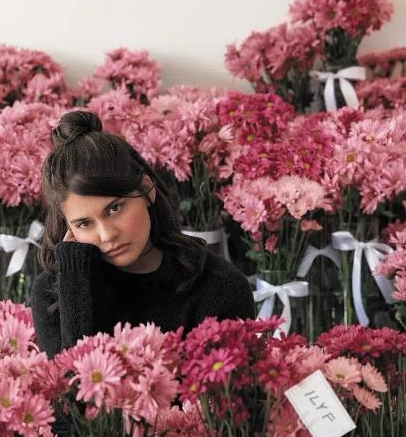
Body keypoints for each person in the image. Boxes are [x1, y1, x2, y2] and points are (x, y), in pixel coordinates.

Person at [31, 110, 255, 359]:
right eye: (84, 223)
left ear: (147, 190)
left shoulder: (220, 287)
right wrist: (76, 284)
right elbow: (73, 381)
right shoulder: (51, 294)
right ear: (69, 228)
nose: (107, 235)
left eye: (114, 208)